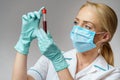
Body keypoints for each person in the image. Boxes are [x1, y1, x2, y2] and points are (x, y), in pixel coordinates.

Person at [12, 1, 120, 80]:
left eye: (87, 26)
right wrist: (24, 42)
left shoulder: (112, 74)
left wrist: (59, 62)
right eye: (76, 23)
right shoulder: (49, 59)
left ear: (105, 37)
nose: (77, 30)